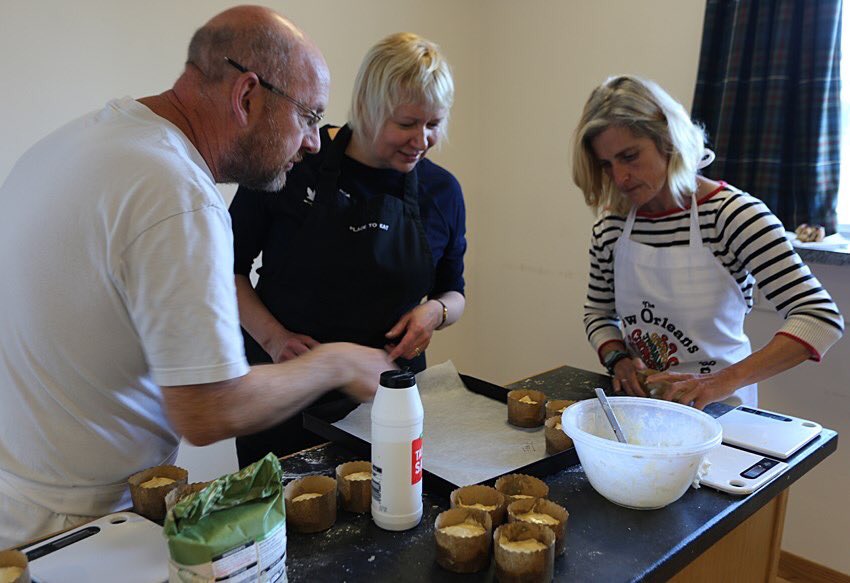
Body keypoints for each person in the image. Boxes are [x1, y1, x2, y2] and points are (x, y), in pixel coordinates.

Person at [0, 6, 394, 549]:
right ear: (247, 96)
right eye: (308, 116)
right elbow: (209, 408)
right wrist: (338, 362)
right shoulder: (176, 195)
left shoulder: (85, 141)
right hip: (73, 526)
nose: (314, 143)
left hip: (20, 496)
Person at [229, 32, 467, 465]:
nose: (421, 140)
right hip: (284, 390)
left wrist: (436, 312)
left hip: (389, 396)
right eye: (406, 124)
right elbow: (227, 270)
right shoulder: (293, 163)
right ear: (369, 109)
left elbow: (454, 290)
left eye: (433, 125)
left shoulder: (442, 191)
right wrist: (274, 338)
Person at [573, 75, 843, 410]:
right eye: (606, 165)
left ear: (668, 138)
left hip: (723, 410)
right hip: (643, 406)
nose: (620, 177)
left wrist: (724, 380)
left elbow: (819, 318)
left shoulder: (731, 215)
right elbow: (598, 313)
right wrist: (618, 358)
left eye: (629, 156)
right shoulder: (612, 227)